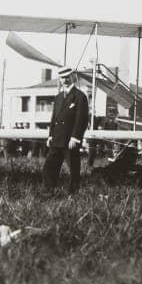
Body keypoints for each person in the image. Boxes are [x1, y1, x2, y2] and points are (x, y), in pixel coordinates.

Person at [42, 65, 90, 193]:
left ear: (73, 77)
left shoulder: (80, 97)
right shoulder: (58, 97)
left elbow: (82, 119)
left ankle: (73, 193)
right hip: (57, 139)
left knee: (73, 169)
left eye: (67, 77)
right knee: (49, 167)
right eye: (62, 78)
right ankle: (49, 191)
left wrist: (75, 137)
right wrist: (50, 135)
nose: (65, 80)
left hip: (70, 141)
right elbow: (54, 119)